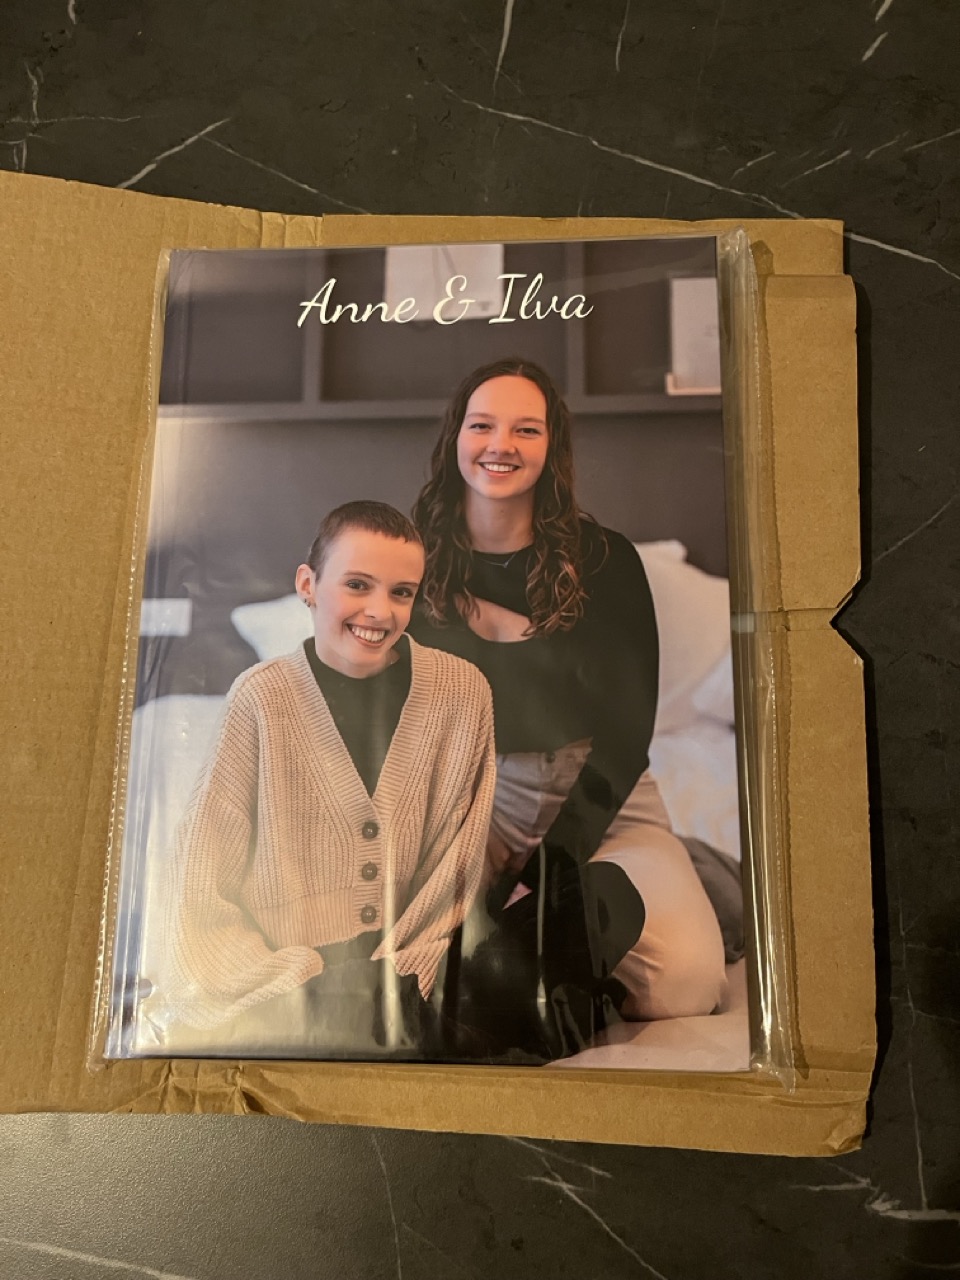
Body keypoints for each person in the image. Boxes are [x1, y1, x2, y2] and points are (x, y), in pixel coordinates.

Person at [409, 358, 728, 1060]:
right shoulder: (410, 561)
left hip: (601, 799)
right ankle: (564, 965)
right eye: (482, 425)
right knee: (412, 963)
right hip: (470, 800)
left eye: (526, 429)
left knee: (684, 984)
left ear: (552, 445)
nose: (501, 444)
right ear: (455, 437)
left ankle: (681, 879)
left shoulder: (607, 561)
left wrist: (547, 872)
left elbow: (625, 735)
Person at [154, 501, 496, 1058]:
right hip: (293, 981)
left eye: (402, 592)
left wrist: (401, 976)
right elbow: (200, 887)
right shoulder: (261, 698)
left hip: (414, 977)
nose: (379, 612)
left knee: (601, 903)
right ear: (307, 585)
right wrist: (295, 981)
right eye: (357, 585)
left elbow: (451, 876)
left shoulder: (462, 693)